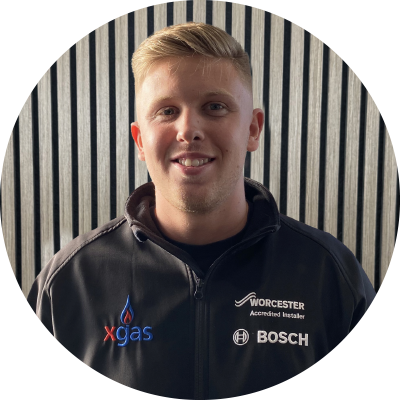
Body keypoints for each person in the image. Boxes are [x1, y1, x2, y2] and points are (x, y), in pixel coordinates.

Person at [27, 22, 376, 398]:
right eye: (167, 111)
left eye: (215, 107)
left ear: (253, 129)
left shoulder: (330, 276)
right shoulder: (70, 282)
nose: (188, 129)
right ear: (140, 141)